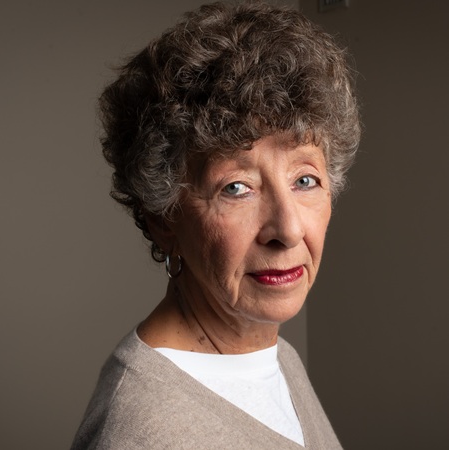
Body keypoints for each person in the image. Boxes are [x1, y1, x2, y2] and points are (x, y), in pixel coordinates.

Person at [71, 1, 360, 449]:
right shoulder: (148, 433)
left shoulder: (273, 356)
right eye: (236, 188)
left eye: (305, 180)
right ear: (163, 216)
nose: (288, 229)